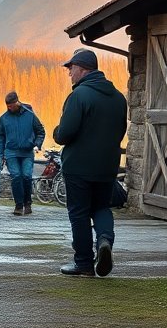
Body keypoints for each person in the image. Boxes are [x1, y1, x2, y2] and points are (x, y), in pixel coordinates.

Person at [53, 49, 127, 277]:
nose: (69, 74)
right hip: (107, 166)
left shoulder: (79, 96)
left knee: (79, 213)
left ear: (83, 69)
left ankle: (84, 263)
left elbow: (65, 134)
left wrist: (56, 132)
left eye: (71, 68)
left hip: (79, 167)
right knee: (102, 207)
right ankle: (104, 240)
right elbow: (121, 130)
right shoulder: (118, 97)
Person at [0, 91, 45, 216]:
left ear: (17, 102)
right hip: (11, 152)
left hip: (27, 152)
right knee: (16, 175)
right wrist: (0, 155)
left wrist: (37, 143)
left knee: (27, 175)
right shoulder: (4, 118)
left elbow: (40, 131)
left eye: (11, 105)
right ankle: (18, 204)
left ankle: (27, 202)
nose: (9, 108)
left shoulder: (30, 115)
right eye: (7, 106)